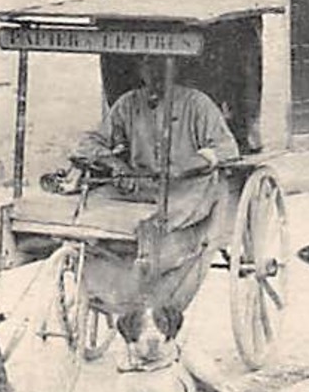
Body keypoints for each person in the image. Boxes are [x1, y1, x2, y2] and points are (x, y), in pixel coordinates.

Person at [70, 56, 241, 313]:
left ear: (175, 70)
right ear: (141, 70)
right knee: (91, 212)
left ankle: (162, 277)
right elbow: (90, 143)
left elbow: (227, 148)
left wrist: (190, 163)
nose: (155, 75)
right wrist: (118, 166)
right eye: (149, 67)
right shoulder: (128, 104)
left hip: (187, 188)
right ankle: (107, 279)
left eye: (162, 68)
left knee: (163, 224)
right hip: (140, 187)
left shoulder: (197, 104)